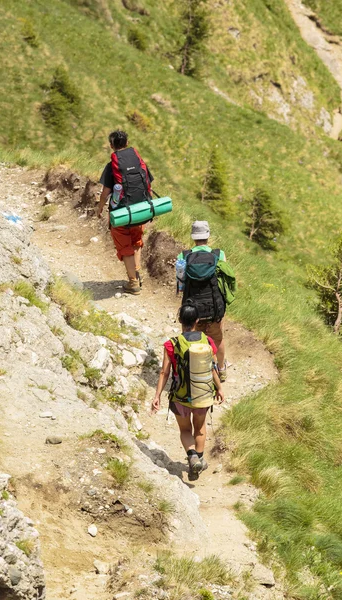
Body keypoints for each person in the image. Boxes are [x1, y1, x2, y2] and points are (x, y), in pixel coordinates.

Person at [151, 301, 225, 481]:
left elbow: (164, 372)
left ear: (180, 320)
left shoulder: (171, 344)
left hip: (180, 396)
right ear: (197, 320)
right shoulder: (207, 341)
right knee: (200, 428)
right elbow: (213, 367)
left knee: (185, 430)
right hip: (203, 394)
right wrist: (219, 388)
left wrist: (157, 396)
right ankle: (198, 460)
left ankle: (191, 456)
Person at [96, 130, 154, 295]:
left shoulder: (111, 167)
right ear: (127, 143)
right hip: (140, 211)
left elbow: (105, 193)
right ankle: (136, 273)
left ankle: (133, 282)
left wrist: (100, 207)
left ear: (111, 145)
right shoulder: (139, 162)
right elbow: (148, 182)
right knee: (136, 241)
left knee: (124, 246)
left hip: (121, 214)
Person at [177, 220, 228, 381]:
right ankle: (220, 369)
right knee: (217, 339)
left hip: (192, 307)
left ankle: (191, 369)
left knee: (190, 336)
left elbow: (181, 283)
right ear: (208, 235)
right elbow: (223, 281)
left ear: (193, 236)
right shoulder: (218, 255)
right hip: (213, 307)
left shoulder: (184, 256)